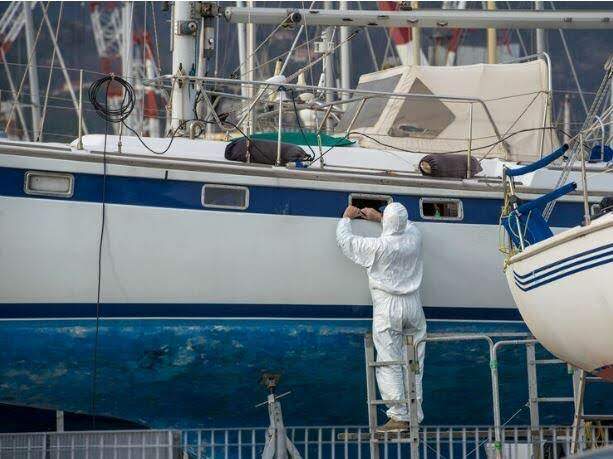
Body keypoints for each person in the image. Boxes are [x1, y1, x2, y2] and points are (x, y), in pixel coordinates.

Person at [336, 203, 427, 432]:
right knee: (415, 362)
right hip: (414, 305)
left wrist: (346, 219)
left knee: (389, 360)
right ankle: (414, 412)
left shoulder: (378, 246)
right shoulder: (414, 238)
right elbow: (409, 226)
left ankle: (398, 416)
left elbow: (347, 242)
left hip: (389, 306)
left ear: (387, 221)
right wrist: (380, 218)